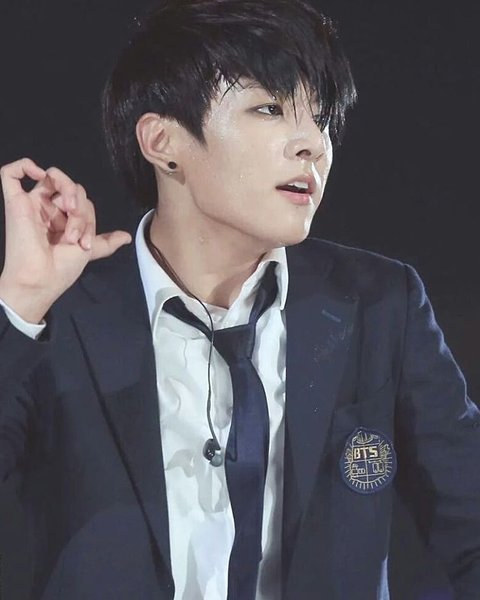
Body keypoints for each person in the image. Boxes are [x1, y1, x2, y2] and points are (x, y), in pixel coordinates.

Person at [0, 0, 479, 598]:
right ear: (163, 141)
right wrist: (20, 302)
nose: (313, 144)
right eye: (270, 108)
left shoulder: (380, 304)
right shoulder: (58, 317)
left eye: (322, 118)